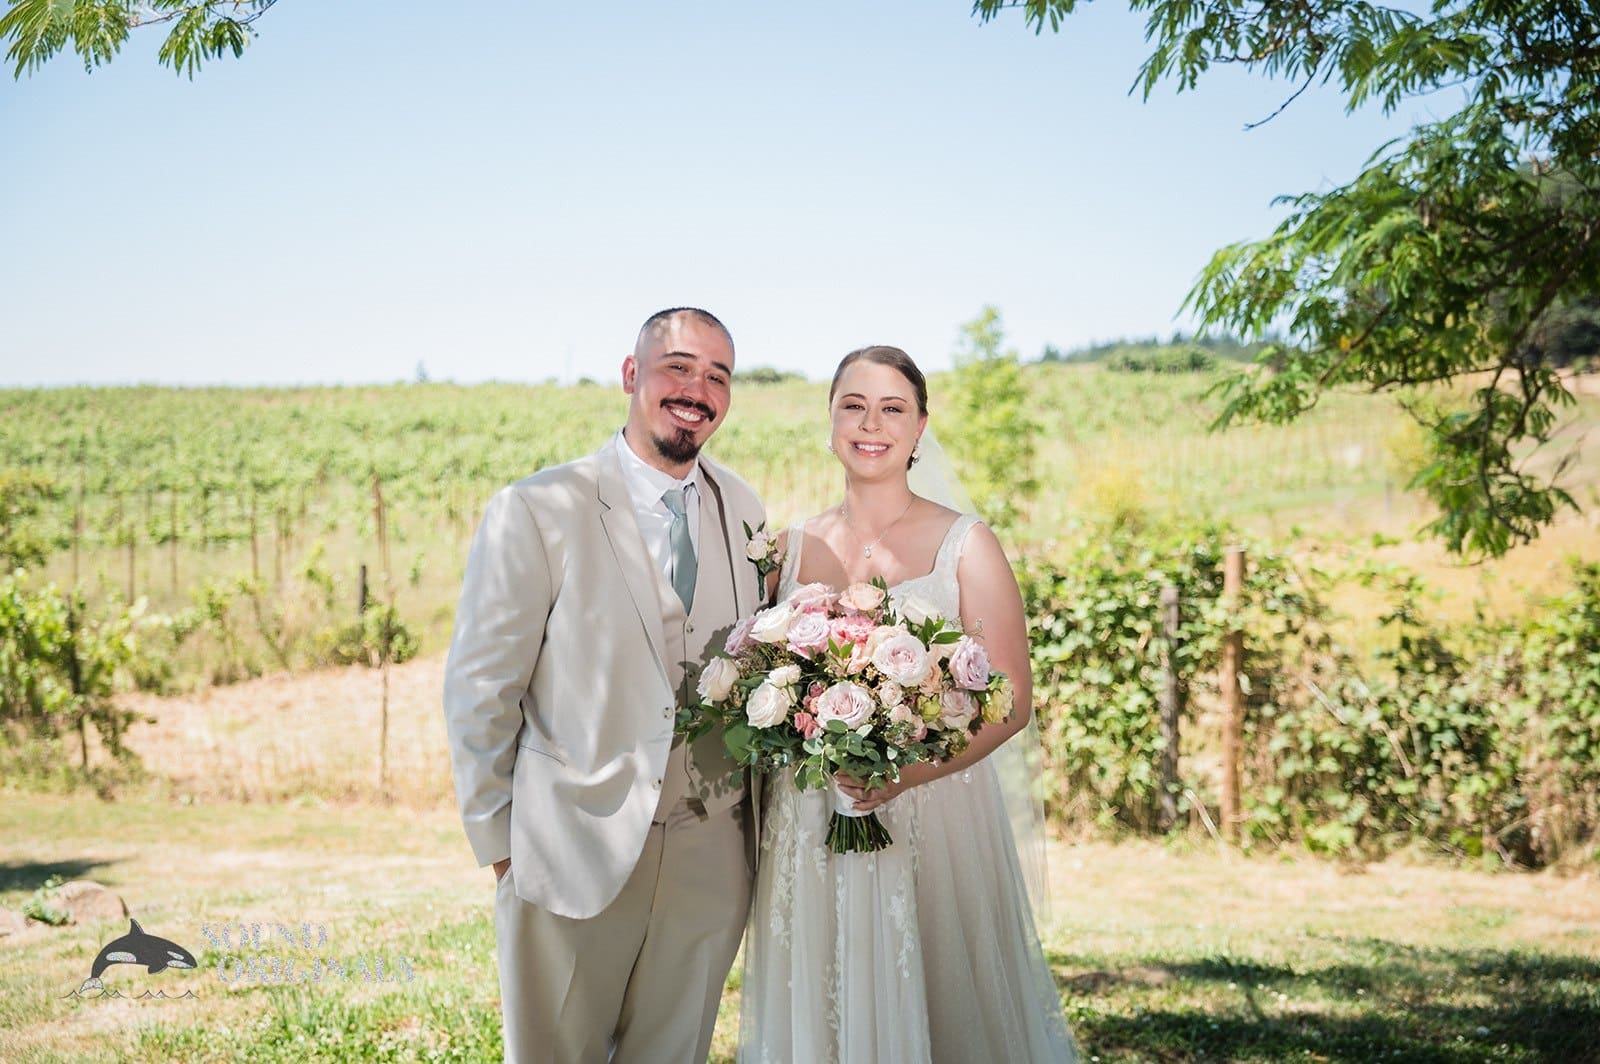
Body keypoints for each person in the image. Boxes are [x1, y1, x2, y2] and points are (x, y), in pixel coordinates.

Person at [443, 307, 767, 1064]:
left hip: (711, 859)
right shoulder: (537, 509)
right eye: (678, 367)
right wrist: (501, 845)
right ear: (632, 375)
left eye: (717, 376)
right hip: (569, 847)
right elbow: (481, 687)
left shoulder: (744, 509)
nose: (697, 389)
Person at [739, 346, 1077, 1063]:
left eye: (892, 408)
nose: (871, 423)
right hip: (812, 815)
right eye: (853, 405)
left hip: (935, 814)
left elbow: (1010, 703)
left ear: (921, 427)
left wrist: (907, 774)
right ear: (829, 421)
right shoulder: (791, 549)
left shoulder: (967, 546)